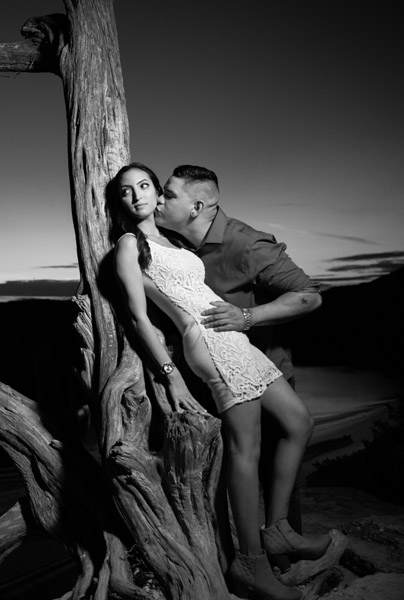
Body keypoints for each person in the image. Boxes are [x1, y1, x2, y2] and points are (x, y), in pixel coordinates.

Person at [106, 163, 330, 600]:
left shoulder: (175, 239)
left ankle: (279, 529)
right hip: (208, 341)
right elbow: (138, 317)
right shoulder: (129, 246)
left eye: (148, 187)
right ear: (120, 202)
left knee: (300, 423)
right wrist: (171, 377)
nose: (140, 197)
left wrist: (245, 319)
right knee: (248, 449)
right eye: (126, 191)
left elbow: (302, 293)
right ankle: (251, 562)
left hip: (235, 337)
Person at [155, 164, 322, 540]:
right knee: (220, 472)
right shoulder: (172, 243)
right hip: (212, 379)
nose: (160, 201)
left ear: (197, 206)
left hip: (266, 373)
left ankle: (284, 550)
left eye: (169, 194)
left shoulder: (246, 243)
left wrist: (247, 316)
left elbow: (309, 296)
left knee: (275, 473)